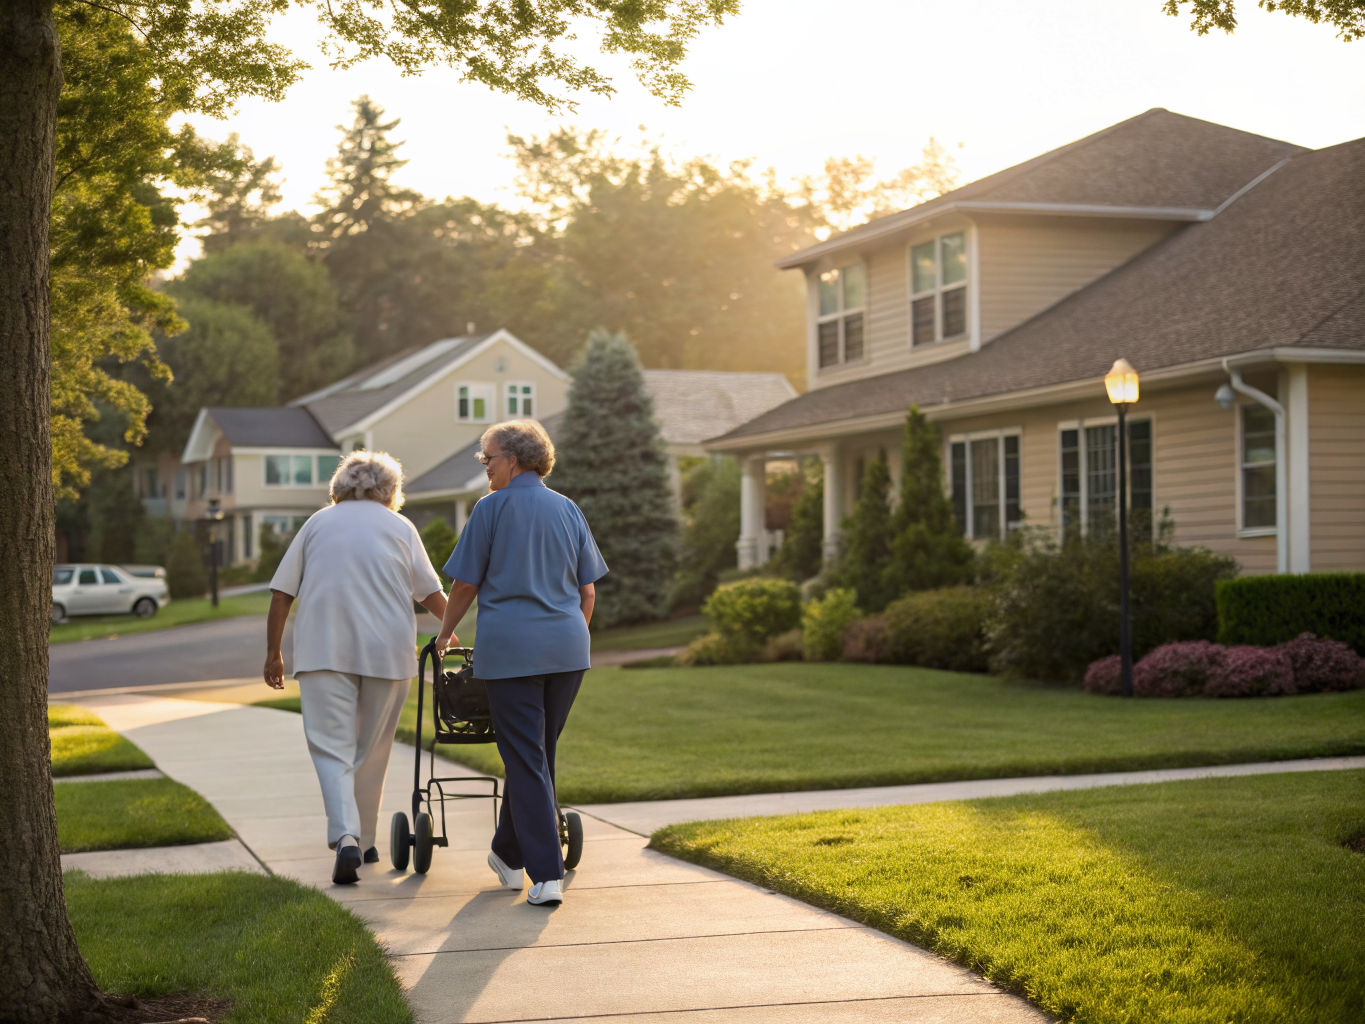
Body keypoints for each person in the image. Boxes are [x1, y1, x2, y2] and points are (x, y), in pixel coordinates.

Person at [436, 419, 607, 907]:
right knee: (537, 755)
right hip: (568, 650)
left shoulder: (491, 509)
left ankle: (546, 874)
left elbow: (465, 584)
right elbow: (587, 590)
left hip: (512, 652)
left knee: (527, 757)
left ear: (513, 459)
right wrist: (571, 637)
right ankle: (507, 855)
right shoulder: (568, 509)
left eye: (487, 458)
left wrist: (446, 632)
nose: (485, 467)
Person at [263, 450, 447, 885]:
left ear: (338, 487)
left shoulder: (317, 524)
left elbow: (280, 594)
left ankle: (346, 837)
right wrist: (450, 630)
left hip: (324, 650)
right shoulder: (401, 526)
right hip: (388, 652)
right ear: (391, 490)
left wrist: (273, 652)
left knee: (332, 748)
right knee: (373, 748)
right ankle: (364, 841)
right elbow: (430, 593)